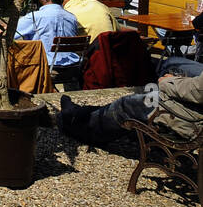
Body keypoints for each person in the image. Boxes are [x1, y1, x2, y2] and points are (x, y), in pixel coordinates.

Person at [58, 57, 203, 146]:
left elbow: (198, 91)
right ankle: (91, 112)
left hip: (196, 120)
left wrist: (169, 82)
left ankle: (75, 121)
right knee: (170, 64)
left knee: (127, 105)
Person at [15, 0, 81, 67]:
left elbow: (11, 34)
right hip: (72, 66)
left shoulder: (35, 17)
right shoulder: (72, 17)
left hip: (44, 67)